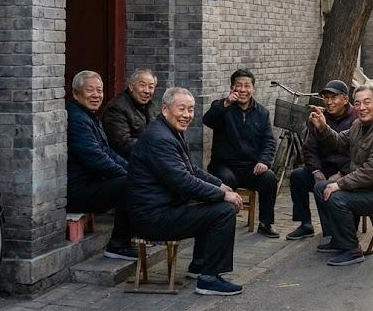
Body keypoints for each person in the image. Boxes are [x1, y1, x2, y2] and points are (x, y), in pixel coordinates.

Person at [127, 87, 245, 297]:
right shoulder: (160, 138)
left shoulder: (169, 131)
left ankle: (199, 265)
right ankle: (209, 279)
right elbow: (183, 182)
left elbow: (191, 169)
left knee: (212, 203)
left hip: (165, 208)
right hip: (152, 217)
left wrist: (219, 185)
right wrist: (223, 195)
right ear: (165, 109)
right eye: (181, 109)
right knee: (223, 211)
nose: (187, 115)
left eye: (190, 110)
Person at [309, 85, 373, 266]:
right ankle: (339, 239)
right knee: (321, 187)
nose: (362, 107)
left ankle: (352, 250)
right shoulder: (358, 125)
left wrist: (340, 184)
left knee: (336, 197)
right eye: (358, 103)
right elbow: (339, 142)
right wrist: (323, 127)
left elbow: (371, 171)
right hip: (367, 188)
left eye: (367, 102)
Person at [65, 70, 135, 260]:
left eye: (100, 90)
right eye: (90, 90)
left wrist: (133, 170)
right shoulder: (77, 119)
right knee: (129, 185)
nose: (96, 95)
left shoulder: (88, 116)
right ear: (76, 93)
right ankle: (118, 245)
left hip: (91, 184)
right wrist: (128, 175)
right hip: (78, 191)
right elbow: (96, 159)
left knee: (134, 179)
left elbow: (107, 152)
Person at [202, 69, 279, 238]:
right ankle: (222, 222)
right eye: (238, 86)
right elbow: (207, 120)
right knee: (226, 180)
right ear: (232, 88)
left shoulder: (262, 113)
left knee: (269, 179)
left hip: (250, 167)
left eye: (247, 86)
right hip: (224, 165)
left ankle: (265, 223)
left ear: (253, 88)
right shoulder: (222, 107)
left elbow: (268, 141)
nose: (243, 90)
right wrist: (225, 103)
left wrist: (264, 161)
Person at [285, 80, 356, 241]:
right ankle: (305, 224)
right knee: (297, 176)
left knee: (323, 187)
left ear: (345, 99)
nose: (329, 102)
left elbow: (358, 154)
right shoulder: (320, 117)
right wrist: (316, 170)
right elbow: (309, 148)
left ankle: (333, 233)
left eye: (334, 97)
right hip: (323, 169)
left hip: (347, 172)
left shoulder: (356, 119)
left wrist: (342, 173)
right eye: (326, 98)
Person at [101, 68, 158, 159]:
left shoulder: (150, 106)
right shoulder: (117, 108)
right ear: (131, 86)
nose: (147, 91)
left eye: (151, 87)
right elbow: (122, 144)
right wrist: (156, 146)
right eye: (142, 85)